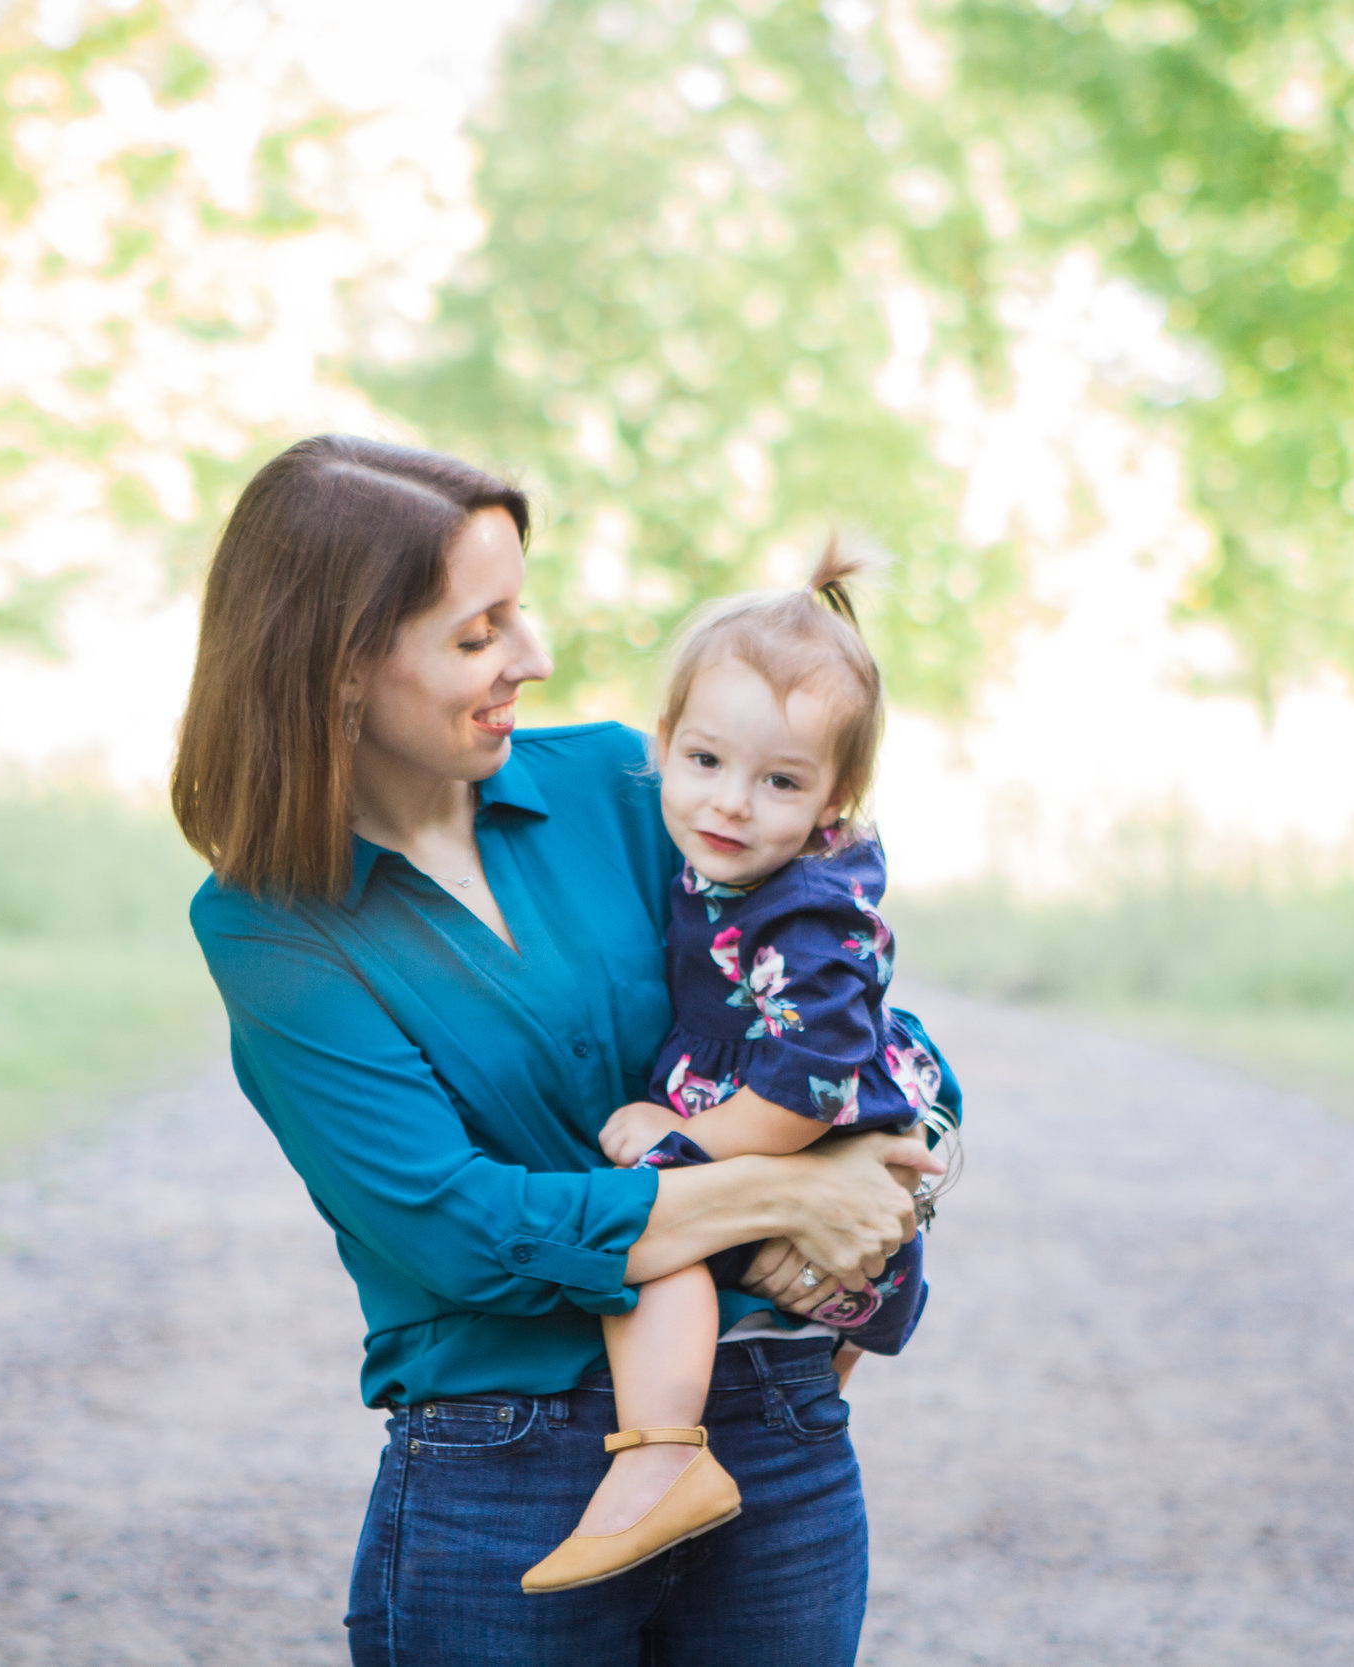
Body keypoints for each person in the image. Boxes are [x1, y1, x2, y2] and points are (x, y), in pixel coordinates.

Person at [174, 435, 942, 1666]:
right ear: (338, 668)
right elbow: (459, 1225)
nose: (530, 656)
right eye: (479, 634)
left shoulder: (626, 783)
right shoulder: (271, 923)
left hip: (776, 1433)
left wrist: (907, 1164)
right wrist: (792, 1187)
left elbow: (858, 1027)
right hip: (502, 1465)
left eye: (518, 614)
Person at [519, 542, 961, 1596]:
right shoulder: (709, 852)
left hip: (796, 1117)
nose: (730, 803)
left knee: (650, 1225)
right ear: (663, 744)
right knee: (755, 1295)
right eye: (706, 762)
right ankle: (780, 1408)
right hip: (775, 1111)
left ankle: (665, 1450)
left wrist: (686, 1146)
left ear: (834, 797)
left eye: (779, 782)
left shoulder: (805, 908)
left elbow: (811, 1082)